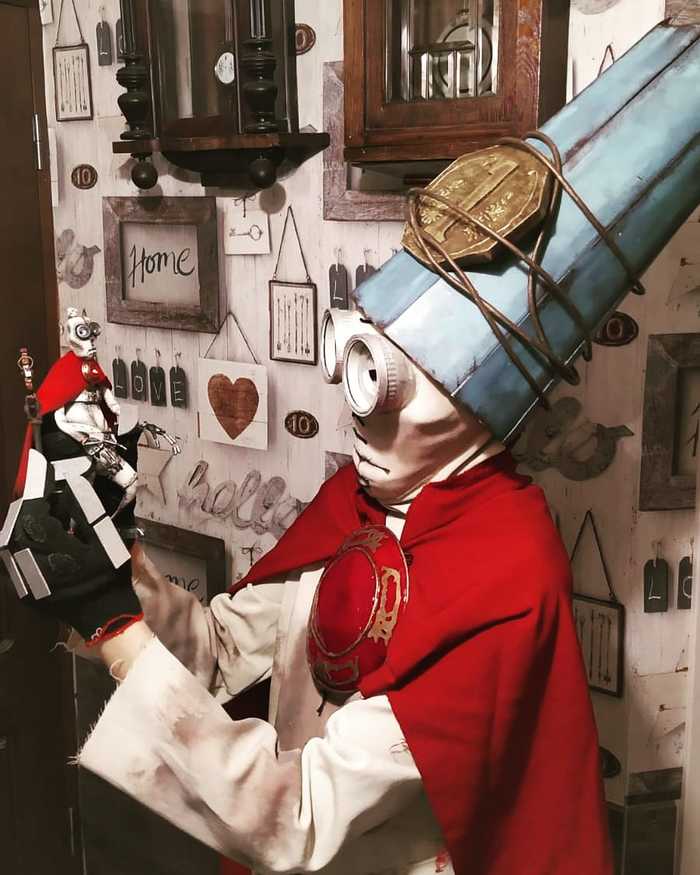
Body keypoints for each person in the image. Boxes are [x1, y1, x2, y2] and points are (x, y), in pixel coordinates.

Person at [1, 313, 612, 875]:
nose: (357, 406)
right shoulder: (358, 502)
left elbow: (302, 817)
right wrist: (113, 565)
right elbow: (219, 653)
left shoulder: (505, 572)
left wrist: (113, 627)